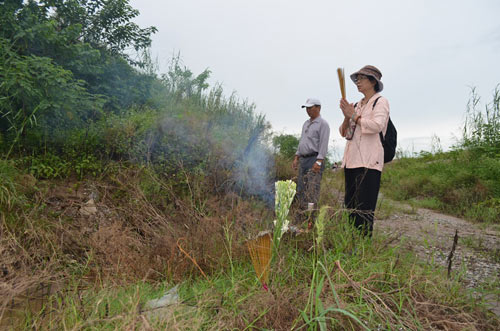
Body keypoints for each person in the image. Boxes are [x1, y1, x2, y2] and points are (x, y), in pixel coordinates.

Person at [339, 65, 390, 237]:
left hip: (369, 162)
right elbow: (344, 132)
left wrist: (354, 115)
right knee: (351, 206)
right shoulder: (356, 105)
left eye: (362, 78)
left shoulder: (380, 101)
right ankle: (353, 241)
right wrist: (347, 116)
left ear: (373, 81)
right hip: (351, 161)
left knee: (365, 208)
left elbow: (377, 125)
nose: (358, 82)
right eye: (357, 79)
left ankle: (363, 247)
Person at [292, 98, 330, 219]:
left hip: (314, 159)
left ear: (318, 108)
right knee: (301, 189)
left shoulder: (323, 124)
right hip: (303, 159)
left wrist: (319, 161)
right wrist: (296, 157)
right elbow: (302, 141)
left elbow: (323, 144)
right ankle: (301, 217)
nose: (308, 110)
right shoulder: (306, 123)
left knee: (312, 190)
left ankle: (310, 219)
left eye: (310, 108)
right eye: (306, 108)